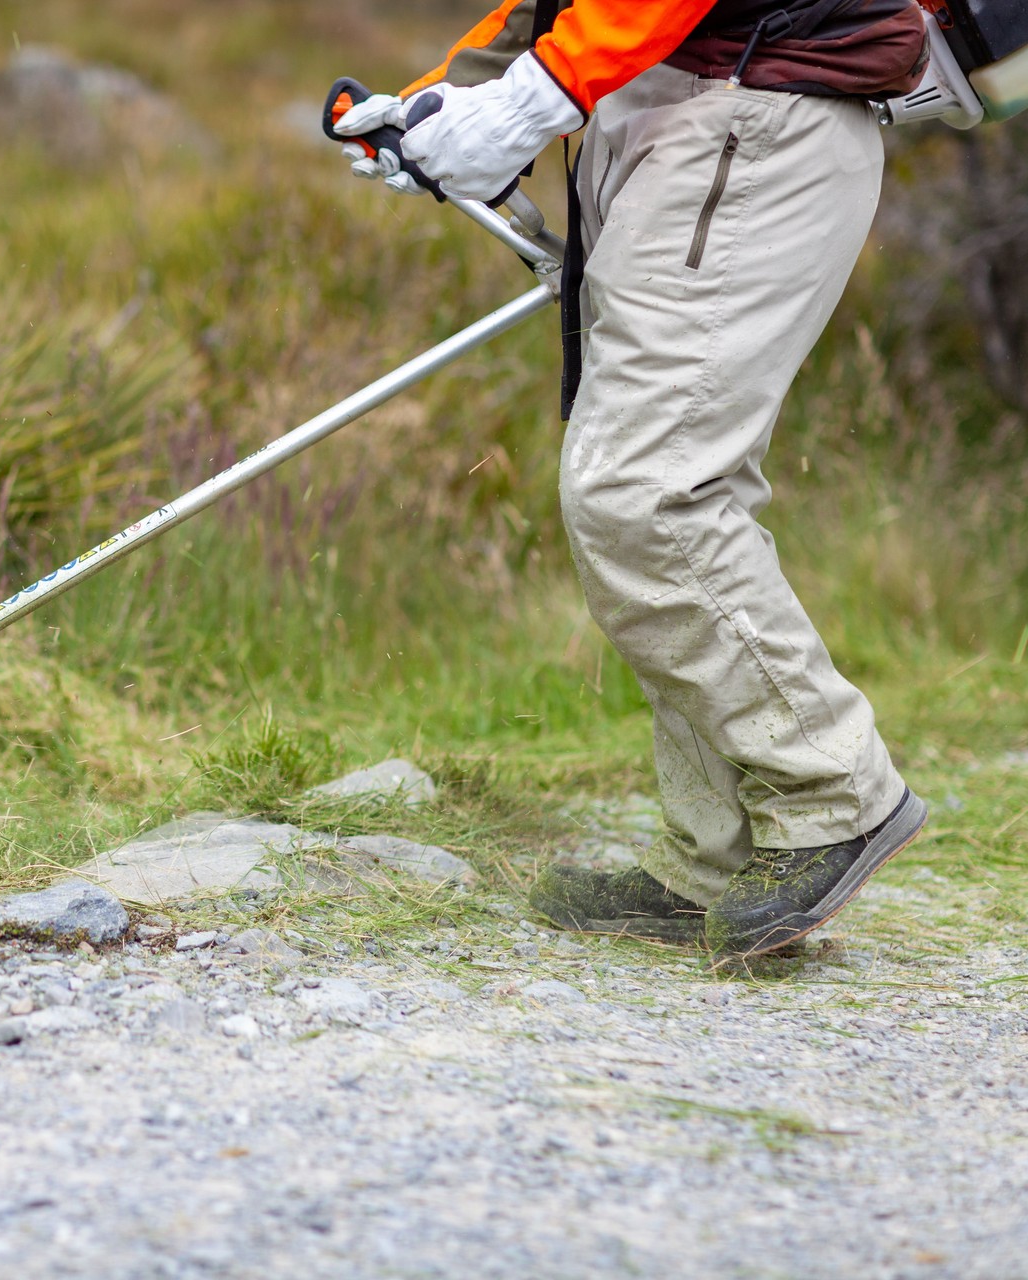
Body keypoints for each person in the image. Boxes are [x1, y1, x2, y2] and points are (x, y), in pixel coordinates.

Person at [334, 0, 932, 959]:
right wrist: (457, 95)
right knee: (671, 489)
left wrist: (527, 102)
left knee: (645, 492)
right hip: (665, 111)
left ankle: (832, 793)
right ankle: (720, 858)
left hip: (751, 113)